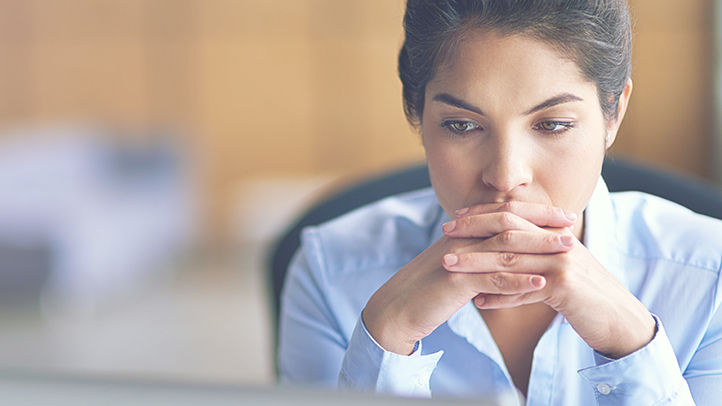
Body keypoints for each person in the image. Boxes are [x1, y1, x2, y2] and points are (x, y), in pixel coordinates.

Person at [278, 1, 722, 404]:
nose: (506, 176)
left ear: (613, 114)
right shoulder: (330, 270)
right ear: (416, 112)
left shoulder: (710, 277)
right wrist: (386, 341)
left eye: (552, 125)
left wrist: (633, 347)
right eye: (460, 125)